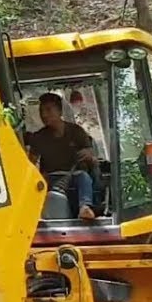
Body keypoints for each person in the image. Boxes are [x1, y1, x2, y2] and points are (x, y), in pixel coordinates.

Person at [25, 92, 98, 220]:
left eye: (48, 110)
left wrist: (88, 156)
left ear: (59, 111)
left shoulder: (76, 131)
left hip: (74, 175)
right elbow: (31, 164)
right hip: (51, 177)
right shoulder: (39, 137)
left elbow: (92, 156)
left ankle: (85, 207)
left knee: (84, 177)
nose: (44, 115)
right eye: (41, 111)